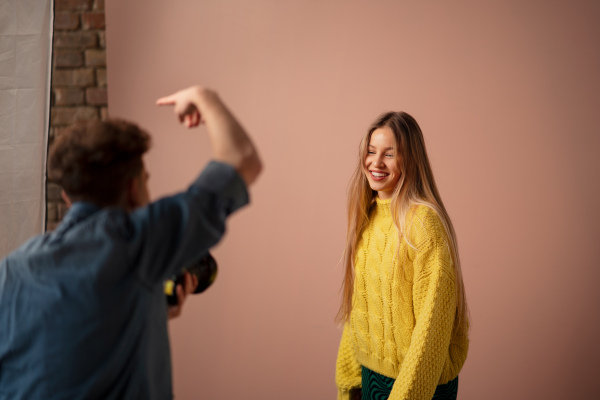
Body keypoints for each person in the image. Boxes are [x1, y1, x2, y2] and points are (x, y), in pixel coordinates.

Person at [0, 86, 262, 399]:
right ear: (133, 189)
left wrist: (145, 313)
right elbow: (241, 159)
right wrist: (204, 97)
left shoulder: (10, 271)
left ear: (67, 196)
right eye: (146, 180)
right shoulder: (135, 243)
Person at [335, 112, 469, 400]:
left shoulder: (424, 224)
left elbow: (433, 327)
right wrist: (349, 379)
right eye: (371, 152)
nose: (376, 163)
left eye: (390, 154)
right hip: (372, 379)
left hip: (420, 383)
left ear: (410, 159)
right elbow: (361, 306)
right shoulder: (367, 216)